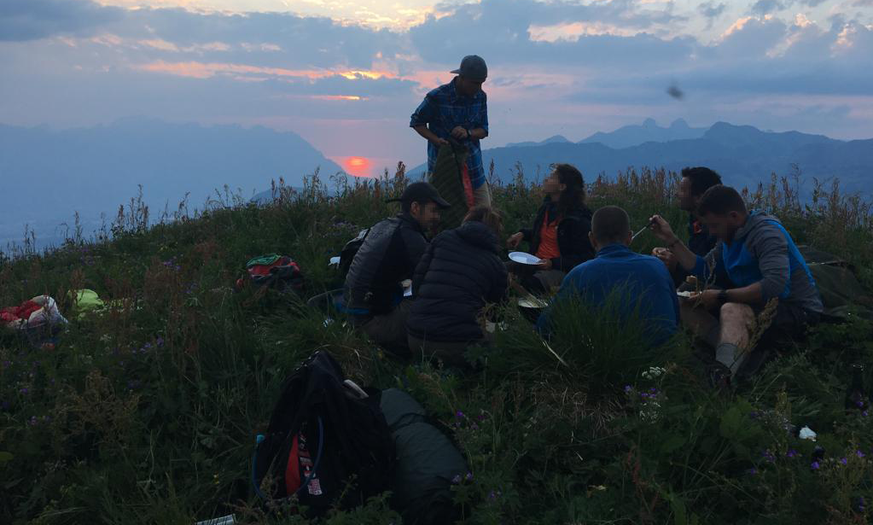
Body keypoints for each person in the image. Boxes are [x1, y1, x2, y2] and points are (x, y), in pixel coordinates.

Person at [649, 185, 823, 384]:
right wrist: (671, 240)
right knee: (681, 298)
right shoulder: (730, 237)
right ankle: (737, 354)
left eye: (714, 226)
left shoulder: (766, 234)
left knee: (732, 309)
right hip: (757, 307)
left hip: (796, 311)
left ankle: (722, 378)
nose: (712, 233)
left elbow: (775, 286)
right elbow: (706, 269)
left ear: (733, 216)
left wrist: (721, 296)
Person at [537, 206, 679, 346]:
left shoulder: (581, 273)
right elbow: (676, 317)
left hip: (608, 362)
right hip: (664, 361)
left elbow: (544, 326)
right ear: (629, 237)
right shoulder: (657, 266)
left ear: (592, 239)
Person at [343, 182, 450, 356]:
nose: (437, 217)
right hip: (370, 323)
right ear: (415, 207)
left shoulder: (386, 225)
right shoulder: (411, 237)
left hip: (353, 314)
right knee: (439, 301)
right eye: (433, 210)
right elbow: (440, 276)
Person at [407, 206, 508, 368]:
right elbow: (497, 315)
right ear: (495, 232)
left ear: (467, 221)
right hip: (459, 346)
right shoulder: (496, 264)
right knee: (504, 337)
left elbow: (417, 282)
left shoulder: (442, 239)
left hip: (416, 338)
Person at [410, 55, 491, 218]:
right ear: (461, 77)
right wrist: (436, 140)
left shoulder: (480, 97)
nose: (479, 87)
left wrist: (468, 133)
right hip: (443, 169)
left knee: (485, 214)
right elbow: (416, 122)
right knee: (444, 218)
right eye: (475, 83)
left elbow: (484, 130)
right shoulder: (437, 97)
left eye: (482, 82)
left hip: (474, 169)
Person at [506, 164, 595, 294]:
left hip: (559, 270)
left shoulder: (578, 219)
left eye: (552, 177)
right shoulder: (547, 208)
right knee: (496, 269)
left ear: (562, 187)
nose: (546, 179)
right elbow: (547, 234)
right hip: (535, 262)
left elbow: (586, 257)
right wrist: (523, 234)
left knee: (531, 284)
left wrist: (553, 263)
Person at [652, 167, 723, 284]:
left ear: (699, 197)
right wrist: (669, 255)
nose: (676, 194)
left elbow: (710, 273)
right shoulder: (696, 223)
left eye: (682, 190)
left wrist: (677, 264)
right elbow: (696, 256)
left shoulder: (721, 231)